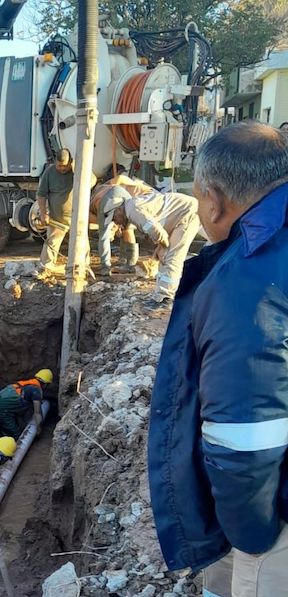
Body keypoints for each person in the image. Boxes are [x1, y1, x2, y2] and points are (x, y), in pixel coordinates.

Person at [147, 121, 288, 596]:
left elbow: (245, 441)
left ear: (213, 199)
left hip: (270, 516)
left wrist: (250, 539)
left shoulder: (245, 283)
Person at [102, 187, 200, 305]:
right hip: (181, 214)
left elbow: (155, 230)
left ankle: (166, 298)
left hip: (187, 214)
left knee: (172, 257)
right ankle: (162, 294)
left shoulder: (133, 211)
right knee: (164, 255)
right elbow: (160, 229)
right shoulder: (131, 207)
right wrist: (161, 247)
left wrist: (163, 246)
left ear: (118, 210)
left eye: (114, 218)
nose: (116, 222)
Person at [35, 149, 74, 275]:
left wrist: (76, 168)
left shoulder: (77, 171)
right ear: (55, 162)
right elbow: (41, 195)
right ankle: (46, 268)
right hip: (57, 218)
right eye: (59, 165)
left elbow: (92, 180)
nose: (62, 168)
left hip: (76, 217)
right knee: (52, 242)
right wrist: (43, 214)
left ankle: (81, 266)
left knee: (81, 243)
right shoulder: (50, 172)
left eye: (65, 166)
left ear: (70, 163)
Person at [0, 369, 53, 438]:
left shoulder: (27, 383)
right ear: (46, 384)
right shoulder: (36, 391)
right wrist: (39, 428)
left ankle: (2, 429)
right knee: (18, 435)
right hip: (0, 410)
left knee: (26, 406)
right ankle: (4, 433)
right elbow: (37, 413)